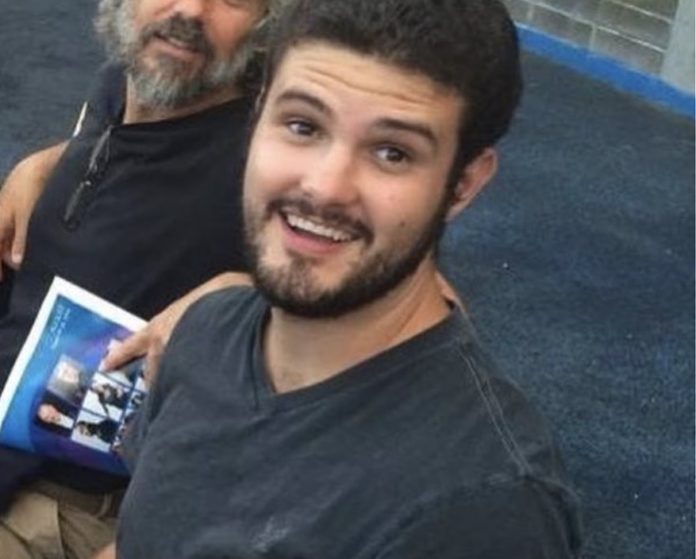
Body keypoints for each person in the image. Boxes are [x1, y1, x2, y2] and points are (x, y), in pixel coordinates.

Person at [112, 0, 583, 556]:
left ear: (463, 185)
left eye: (392, 153)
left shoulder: (483, 505)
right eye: (302, 125)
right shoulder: (203, 330)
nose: (325, 187)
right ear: (257, 117)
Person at [0, 0, 281, 557]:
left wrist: (246, 298)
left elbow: (415, 315)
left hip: (58, 504)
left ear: (267, 22)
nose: (192, 10)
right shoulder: (123, 84)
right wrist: (39, 166)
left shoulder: (271, 167)